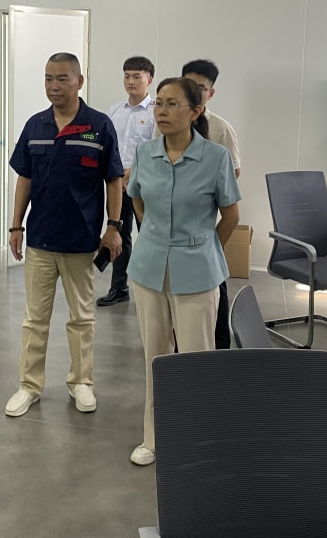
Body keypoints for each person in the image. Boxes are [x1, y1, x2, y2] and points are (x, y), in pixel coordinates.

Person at [126, 76, 240, 466]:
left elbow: (230, 215)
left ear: (196, 111)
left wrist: (204, 247)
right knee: (155, 359)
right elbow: (136, 198)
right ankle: (154, 438)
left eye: (172, 104)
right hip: (149, 268)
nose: (162, 110)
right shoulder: (145, 153)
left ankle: (197, 440)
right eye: (159, 103)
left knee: (195, 361)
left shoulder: (215, 157)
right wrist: (155, 234)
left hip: (197, 271)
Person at [5, 52, 124, 418]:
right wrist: (16, 225)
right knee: (34, 319)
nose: (53, 86)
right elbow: (24, 178)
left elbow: (113, 180)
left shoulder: (98, 126)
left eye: (61, 79)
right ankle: (29, 385)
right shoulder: (36, 125)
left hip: (81, 242)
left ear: (79, 81)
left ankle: (81, 382)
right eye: (48, 79)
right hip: (40, 240)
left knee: (82, 318)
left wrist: (113, 227)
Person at [182, 58, 242, 349]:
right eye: (188, 86)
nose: (194, 92)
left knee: (214, 285)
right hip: (174, 230)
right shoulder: (166, 123)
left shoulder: (220, 129)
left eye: (200, 88)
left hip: (203, 225)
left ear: (211, 93)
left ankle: (219, 351)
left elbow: (234, 173)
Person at [97, 56, 156, 307]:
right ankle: (119, 287)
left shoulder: (155, 112)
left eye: (136, 77)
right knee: (118, 234)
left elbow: (155, 150)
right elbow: (107, 146)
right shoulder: (114, 111)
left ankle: (152, 289)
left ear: (149, 80)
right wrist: (114, 176)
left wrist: (129, 174)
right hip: (116, 185)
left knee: (149, 236)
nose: (131, 81)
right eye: (127, 76)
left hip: (144, 185)